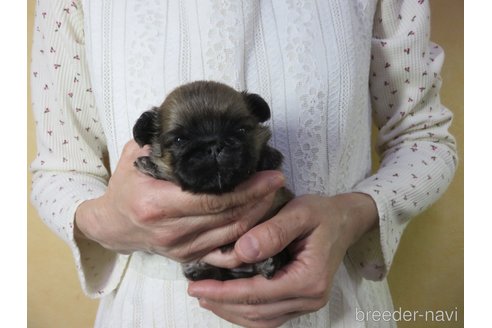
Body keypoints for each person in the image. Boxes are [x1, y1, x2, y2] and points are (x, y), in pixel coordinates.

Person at [30, 0, 457, 327]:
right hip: (154, 310)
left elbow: (425, 136)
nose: (215, 151)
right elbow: (59, 170)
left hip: (336, 309)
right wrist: (105, 220)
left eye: (235, 134)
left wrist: (352, 215)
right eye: (183, 140)